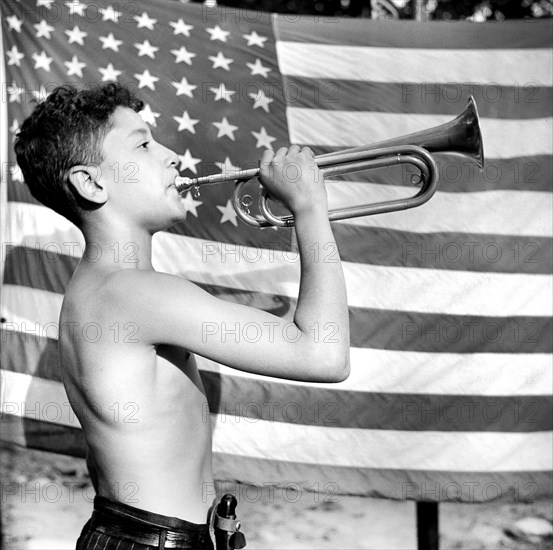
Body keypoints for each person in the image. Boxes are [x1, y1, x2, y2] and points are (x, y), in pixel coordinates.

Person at [14, 82, 350, 550]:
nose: (171, 155)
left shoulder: (99, 290)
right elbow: (324, 354)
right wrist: (311, 209)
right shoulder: (134, 294)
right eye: (145, 144)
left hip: (138, 534)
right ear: (91, 183)